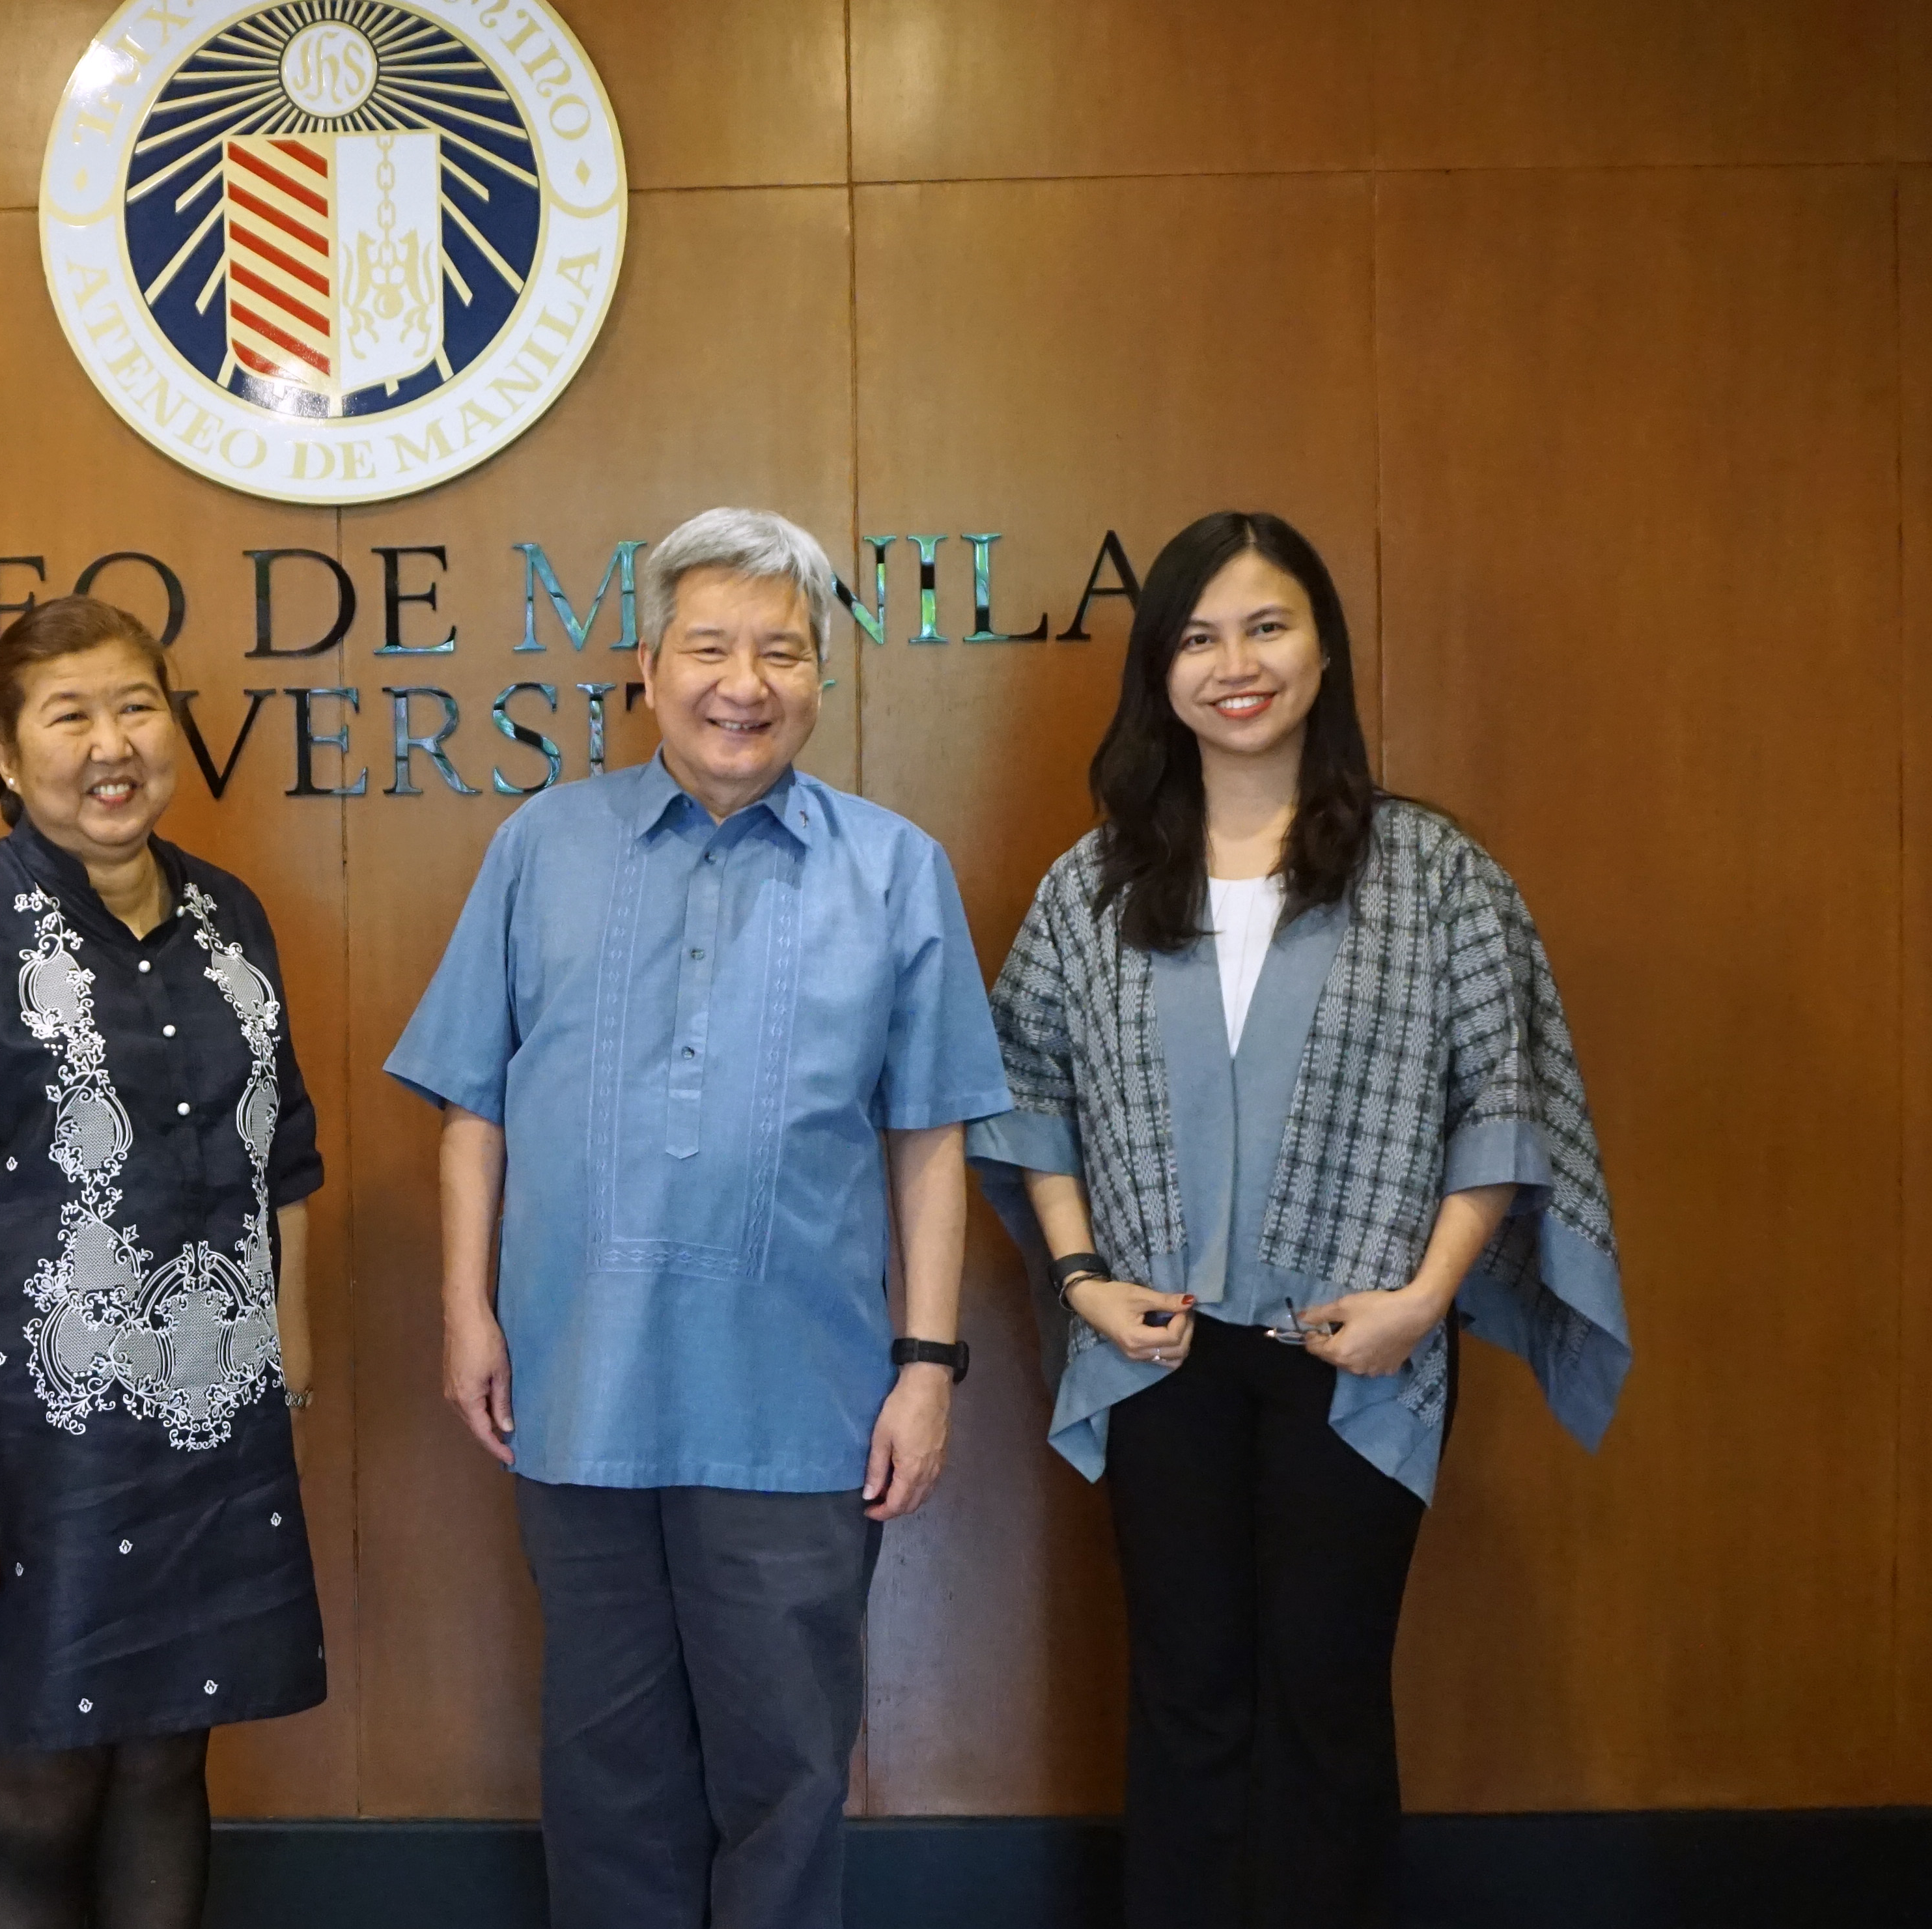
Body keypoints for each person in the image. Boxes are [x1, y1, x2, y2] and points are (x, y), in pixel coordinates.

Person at [970, 511, 1631, 1928]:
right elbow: (1029, 1096)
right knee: (1184, 1693)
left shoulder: (1433, 872)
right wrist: (1082, 1279)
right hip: (1157, 1349)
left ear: (1322, 649)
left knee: (1327, 1694)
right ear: (1159, 674)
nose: (1234, 663)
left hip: (1362, 1353)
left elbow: (1500, 1102)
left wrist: (1421, 1300)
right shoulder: (1089, 888)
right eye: (1196, 638)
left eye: (1263, 626)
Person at [384, 507, 1009, 1929]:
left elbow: (930, 1134)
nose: (745, 682)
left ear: (822, 677)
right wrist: (466, 1308)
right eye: (710, 646)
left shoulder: (892, 867)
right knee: (605, 1765)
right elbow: (470, 1099)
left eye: (781, 650)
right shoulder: (543, 843)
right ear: (648, 666)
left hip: (799, 1399)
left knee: (785, 1765)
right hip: (576, 1380)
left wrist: (927, 1365)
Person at [0, 595, 326, 1929]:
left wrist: (296, 1353)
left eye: (136, 706)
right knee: (33, 1796)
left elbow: (288, 1158)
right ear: (0, 752)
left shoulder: (233, 917)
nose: (111, 743)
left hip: (214, 1436)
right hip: (18, 1447)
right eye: (69, 715)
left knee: (169, 1759)